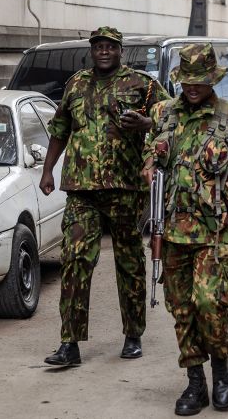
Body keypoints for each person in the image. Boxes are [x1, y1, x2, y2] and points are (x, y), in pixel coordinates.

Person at [143, 43, 228, 416]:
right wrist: (149, 165)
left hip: (214, 230)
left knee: (209, 304)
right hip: (170, 229)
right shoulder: (164, 114)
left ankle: (221, 367)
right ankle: (195, 381)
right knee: (181, 308)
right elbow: (150, 152)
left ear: (212, 80)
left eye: (199, 81)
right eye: (186, 80)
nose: (191, 87)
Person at [40, 26, 170, 366]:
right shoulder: (77, 84)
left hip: (125, 189)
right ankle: (70, 342)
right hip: (81, 190)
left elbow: (172, 119)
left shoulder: (142, 84)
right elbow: (60, 129)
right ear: (91, 50)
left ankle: (133, 334)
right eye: (98, 46)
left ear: (120, 51)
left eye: (110, 47)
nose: (103, 51)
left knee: (128, 262)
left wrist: (144, 124)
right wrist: (47, 169)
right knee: (75, 259)